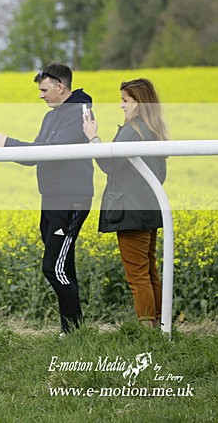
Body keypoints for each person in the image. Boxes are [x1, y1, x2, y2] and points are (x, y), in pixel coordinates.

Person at [0, 63, 93, 334]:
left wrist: (7, 142)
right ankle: (74, 332)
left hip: (71, 200)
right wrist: (3, 148)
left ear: (61, 86)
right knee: (63, 266)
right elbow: (35, 156)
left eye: (44, 90)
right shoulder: (53, 115)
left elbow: (50, 151)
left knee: (53, 268)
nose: (41, 95)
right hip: (53, 198)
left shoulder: (79, 112)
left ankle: (73, 333)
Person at [82, 78, 168, 328]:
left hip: (131, 209)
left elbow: (108, 164)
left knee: (137, 275)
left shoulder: (133, 130)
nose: (122, 106)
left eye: (125, 101)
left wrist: (93, 137)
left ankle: (147, 330)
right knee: (150, 271)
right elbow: (160, 175)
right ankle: (160, 326)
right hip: (149, 206)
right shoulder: (154, 130)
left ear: (139, 103)